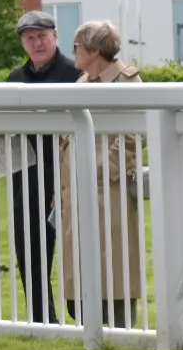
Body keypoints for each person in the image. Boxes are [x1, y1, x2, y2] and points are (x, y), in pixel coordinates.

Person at [58, 20, 145, 329]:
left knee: (115, 269)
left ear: (95, 50)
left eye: (77, 47)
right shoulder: (82, 83)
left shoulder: (127, 81)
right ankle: (88, 329)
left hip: (112, 191)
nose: (73, 53)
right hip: (77, 190)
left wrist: (100, 172)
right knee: (78, 271)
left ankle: (118, 333)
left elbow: (135, 135)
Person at [5, 10, 80, 323]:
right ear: (24, 43)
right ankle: (42, 322)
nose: (36, 43)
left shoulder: (76, 73)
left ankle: (85, 318)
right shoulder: (14, 80)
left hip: (67, 176)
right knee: (30, 252)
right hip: (26, 179)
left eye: (42, 36)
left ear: (56, 37)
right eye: (30, 38)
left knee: (78, 251)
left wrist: (66, 183)